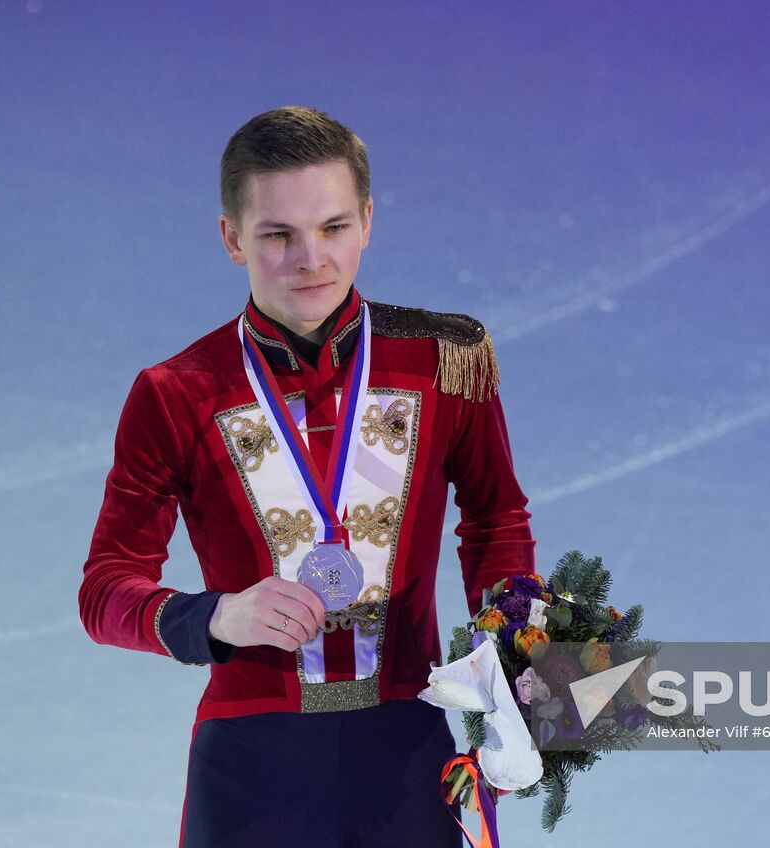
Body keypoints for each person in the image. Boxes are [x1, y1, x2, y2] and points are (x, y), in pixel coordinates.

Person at [77, 105, 537, 847]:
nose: (310, 259)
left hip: (409, 749)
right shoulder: (176, 392)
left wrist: (513, 647)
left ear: (368, 220)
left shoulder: (445, 362)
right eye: (277, 235)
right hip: (251, 760)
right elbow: (105, 591)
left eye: (333, 228)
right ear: (232, 239)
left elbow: (495, 519)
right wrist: (216, 616)